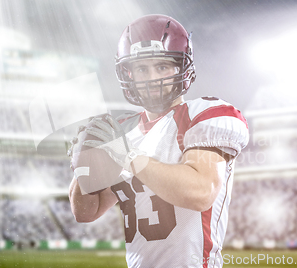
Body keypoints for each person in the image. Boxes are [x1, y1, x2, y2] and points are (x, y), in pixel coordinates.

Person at [68, 14, 249, 268]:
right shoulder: (121, 131)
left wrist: (127, 155)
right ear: (128, 74)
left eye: (162, 66)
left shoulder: (204, 115)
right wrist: (83, 167)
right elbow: (86, 212)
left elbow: (200, 192)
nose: (152, 77)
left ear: (181, 67)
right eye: (142, 68)